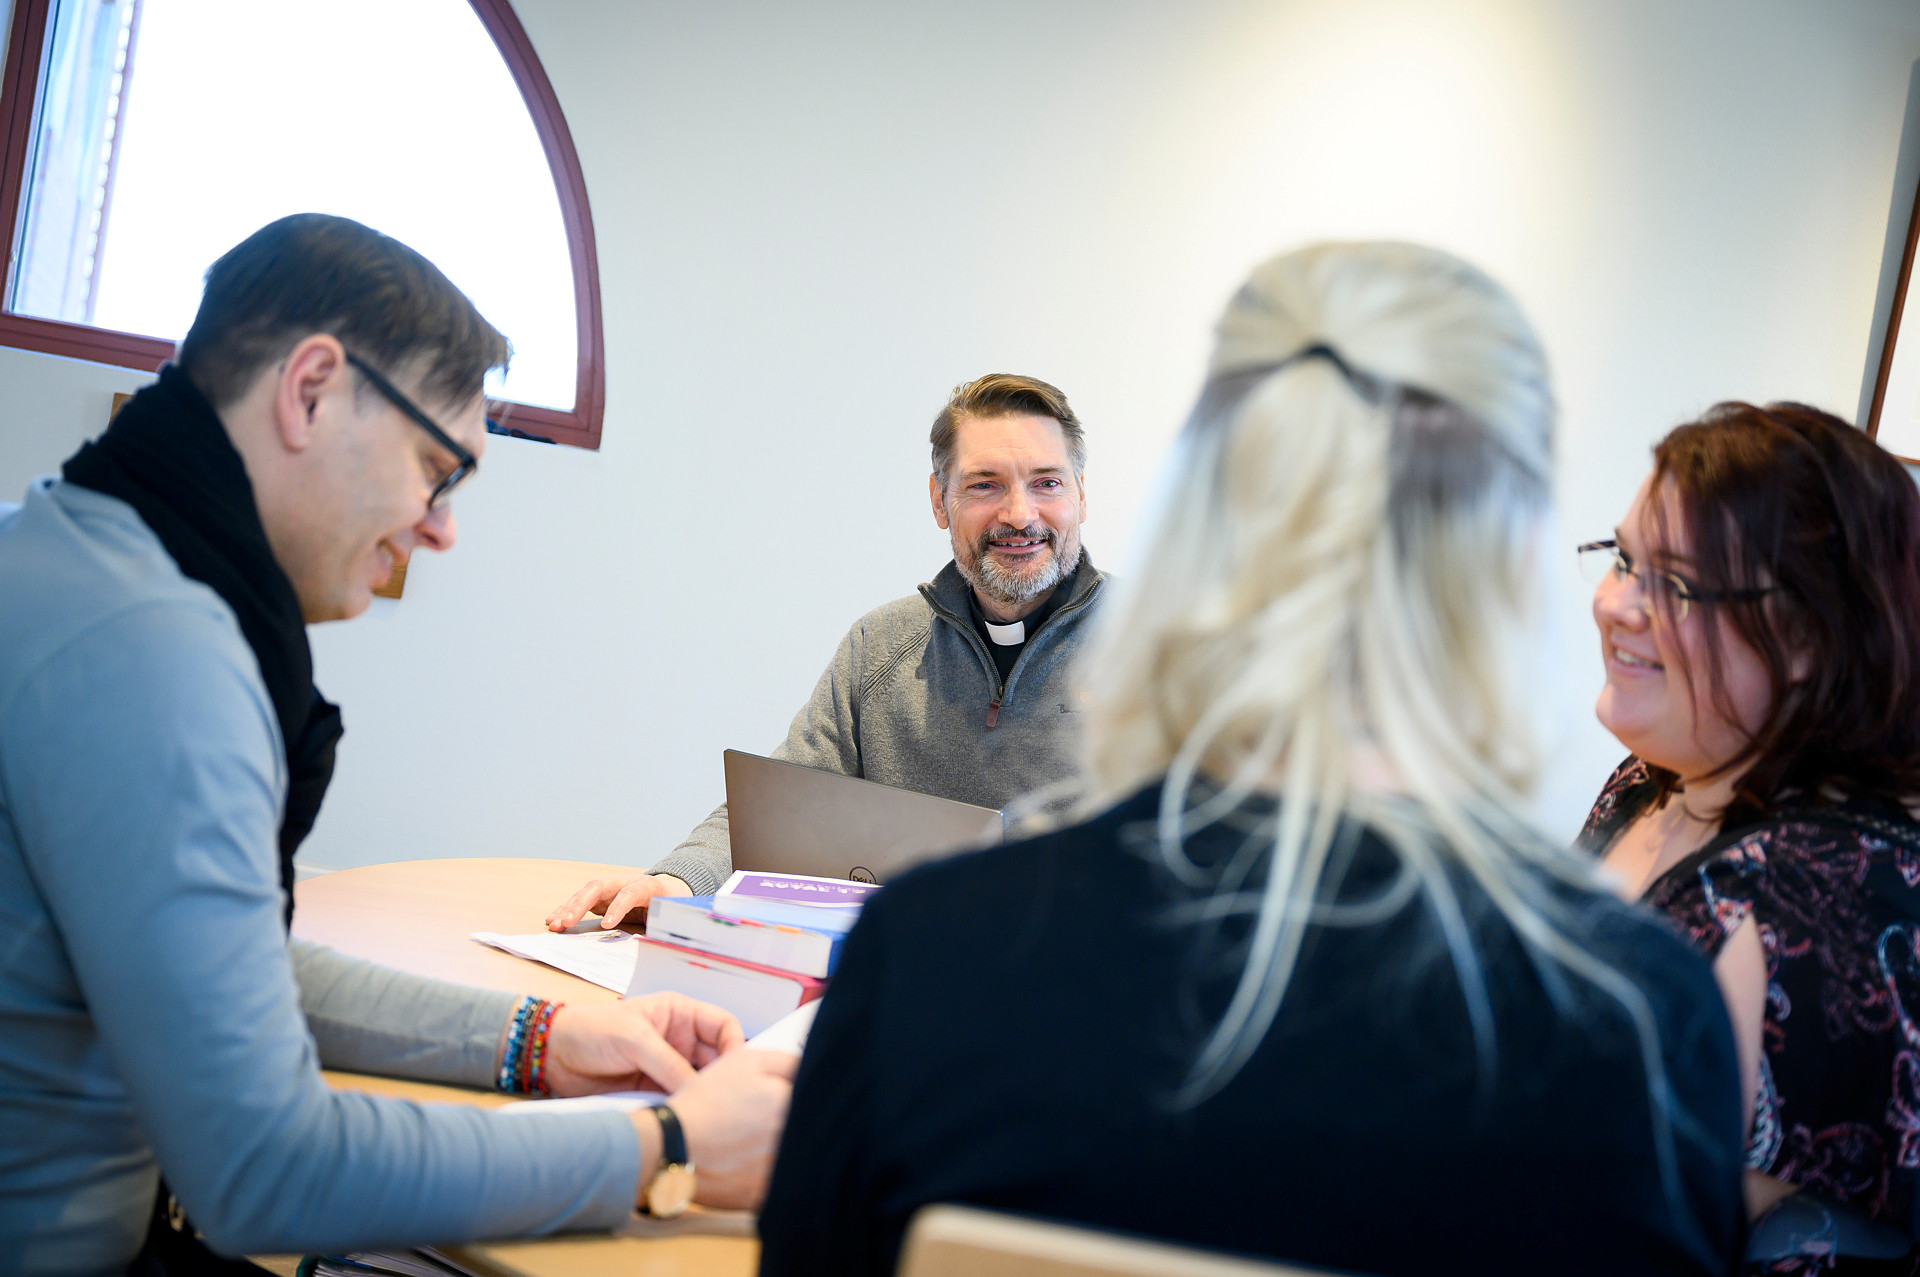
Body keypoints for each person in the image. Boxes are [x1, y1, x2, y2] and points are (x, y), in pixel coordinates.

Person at [754, 242, 1747, 1276]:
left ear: (1191, 525)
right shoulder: (1640, 1020)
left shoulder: (922, 957)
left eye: (1044, 480)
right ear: (1516, 558)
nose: (1018, 512)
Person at [0, 214, 793, 1276]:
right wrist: (676, 1145)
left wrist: (541, 1038)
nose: (440, 525)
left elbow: (225, 969)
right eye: (437, 466)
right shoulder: (161, 653)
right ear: (312, 387)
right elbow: (265, 1166)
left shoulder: (61, 544)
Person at [545, 372, 1107, 930]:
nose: (1019, 514)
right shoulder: (879, 647)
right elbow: (782, 809)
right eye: (984, 485)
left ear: (1081, 493)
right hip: (902, 982)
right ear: (940, 501)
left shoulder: (1154, 651)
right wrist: (677, 881)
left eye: (1046, 483)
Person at [1578, 402, 1920, 1272]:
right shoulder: (1651, 782)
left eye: (1678, 586)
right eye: (1624, 559)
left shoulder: (1816, 899)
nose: (1614, 604)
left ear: (1808, 635)